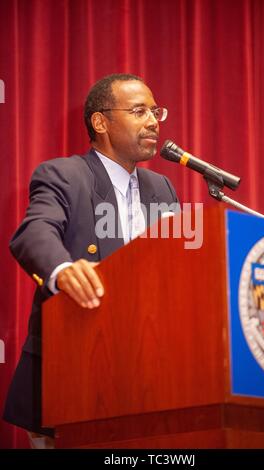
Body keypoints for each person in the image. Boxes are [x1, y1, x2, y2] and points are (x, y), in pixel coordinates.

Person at [3, 73, 179, 448]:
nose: (154, 121)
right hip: (73, 374)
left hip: (147, 379)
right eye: (139, 111)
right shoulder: (65, 176)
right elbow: (34, 234)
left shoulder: (161, 188)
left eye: (155, 111)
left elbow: (173, 266)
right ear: (101, 122)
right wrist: (65, 270)